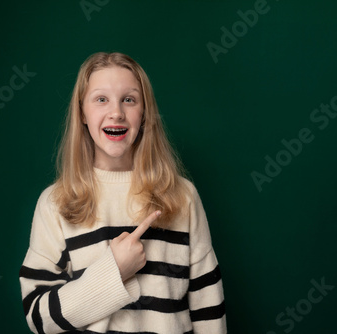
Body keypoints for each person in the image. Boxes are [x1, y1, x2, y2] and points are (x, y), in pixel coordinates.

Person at [19, 52, 227, 333]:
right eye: (101, 99)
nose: (116, 112)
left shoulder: (182, 196)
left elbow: (208, 304)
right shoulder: (56, 203)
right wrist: (113, 272)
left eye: (129, 100)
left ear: (144, 114)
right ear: (82, 112)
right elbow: (38, 317)